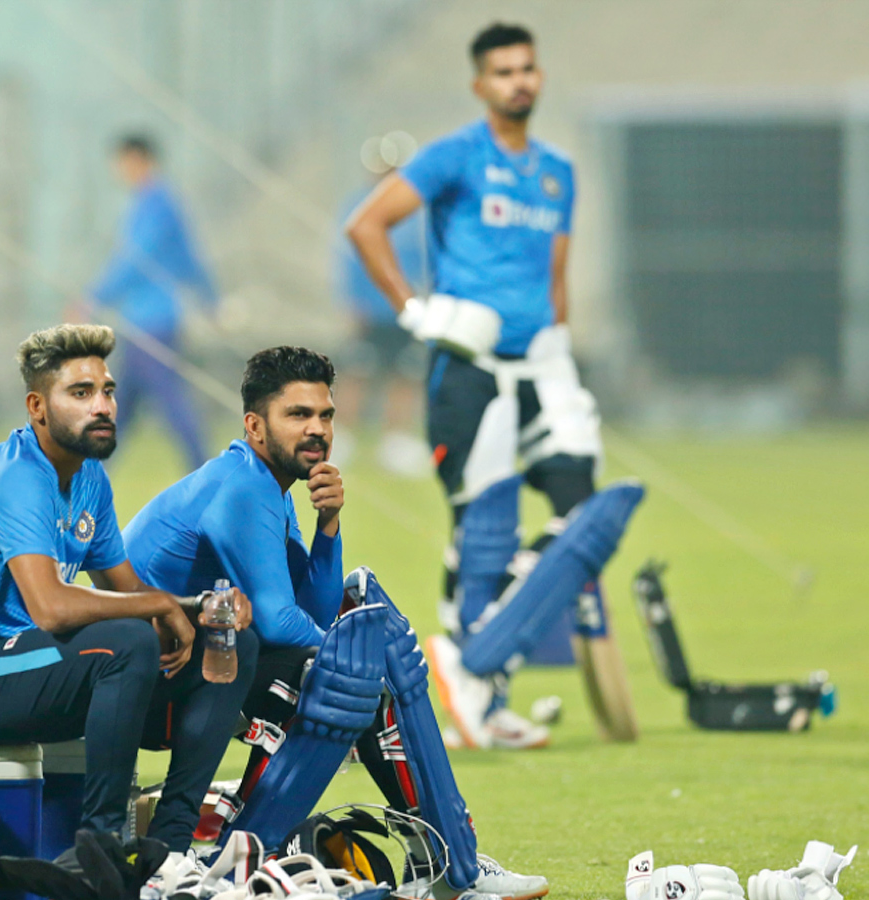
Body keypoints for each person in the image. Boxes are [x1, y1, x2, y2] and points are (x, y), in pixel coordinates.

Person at [123, 347, 549, 900]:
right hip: (149, 688)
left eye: (325, 415)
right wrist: (350, 668)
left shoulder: (269, 485)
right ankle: (251, 858)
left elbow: (317, 610)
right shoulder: (243, 486)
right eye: (297, 415)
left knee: (361, 603)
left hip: (201, 671)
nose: (317, 430)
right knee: (341, 672)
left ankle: (445, 855)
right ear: (255, 426)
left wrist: (329, 525)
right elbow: (278, 623)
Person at [345, 22, 641, 750]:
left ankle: (475, 664)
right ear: (481, 84)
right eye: (504, 71)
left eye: (527, 69)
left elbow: (556, 274)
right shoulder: (454, 156)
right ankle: (480, 695)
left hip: (541, 362)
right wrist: (413, 309)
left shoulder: (556, 172)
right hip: (468, 369)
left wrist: (560, 341)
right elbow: (367, 225)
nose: (519, 81)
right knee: (482, 532)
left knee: (583, 513)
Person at [0, 323, 257, 866]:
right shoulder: (14, 478)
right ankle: (101, 851)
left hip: (29, 663)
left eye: (108, 391)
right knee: (125, 645)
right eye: (81, 393)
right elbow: (52, 607)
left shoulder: (89, 479)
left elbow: (130, 591)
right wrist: (159, 607)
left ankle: (171, 848)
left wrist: (199, 609)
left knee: (234, 641)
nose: (103, 406)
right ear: (37, 408)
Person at [90, 134, 218, 471]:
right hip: (141, 320)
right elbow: (190, 257)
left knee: (169, 402)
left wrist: (93, 297)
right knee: (123, 406)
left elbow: (136, 261)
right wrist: (210, 298)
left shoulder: (155, 203)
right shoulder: (155, 202)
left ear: (138, 159)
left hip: (155, 320)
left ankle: (206, 471)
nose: (119, 171)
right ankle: (90, 474)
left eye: (122, 163)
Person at [334, 137, 429, 476]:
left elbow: (425, 259)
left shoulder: (417, 211)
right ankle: (340, 436)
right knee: (357, 371)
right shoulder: (357, 205)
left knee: (406, 373)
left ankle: (397, 440)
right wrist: (351, 301)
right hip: (371, 307)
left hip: (406, 307)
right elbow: (348, 260)